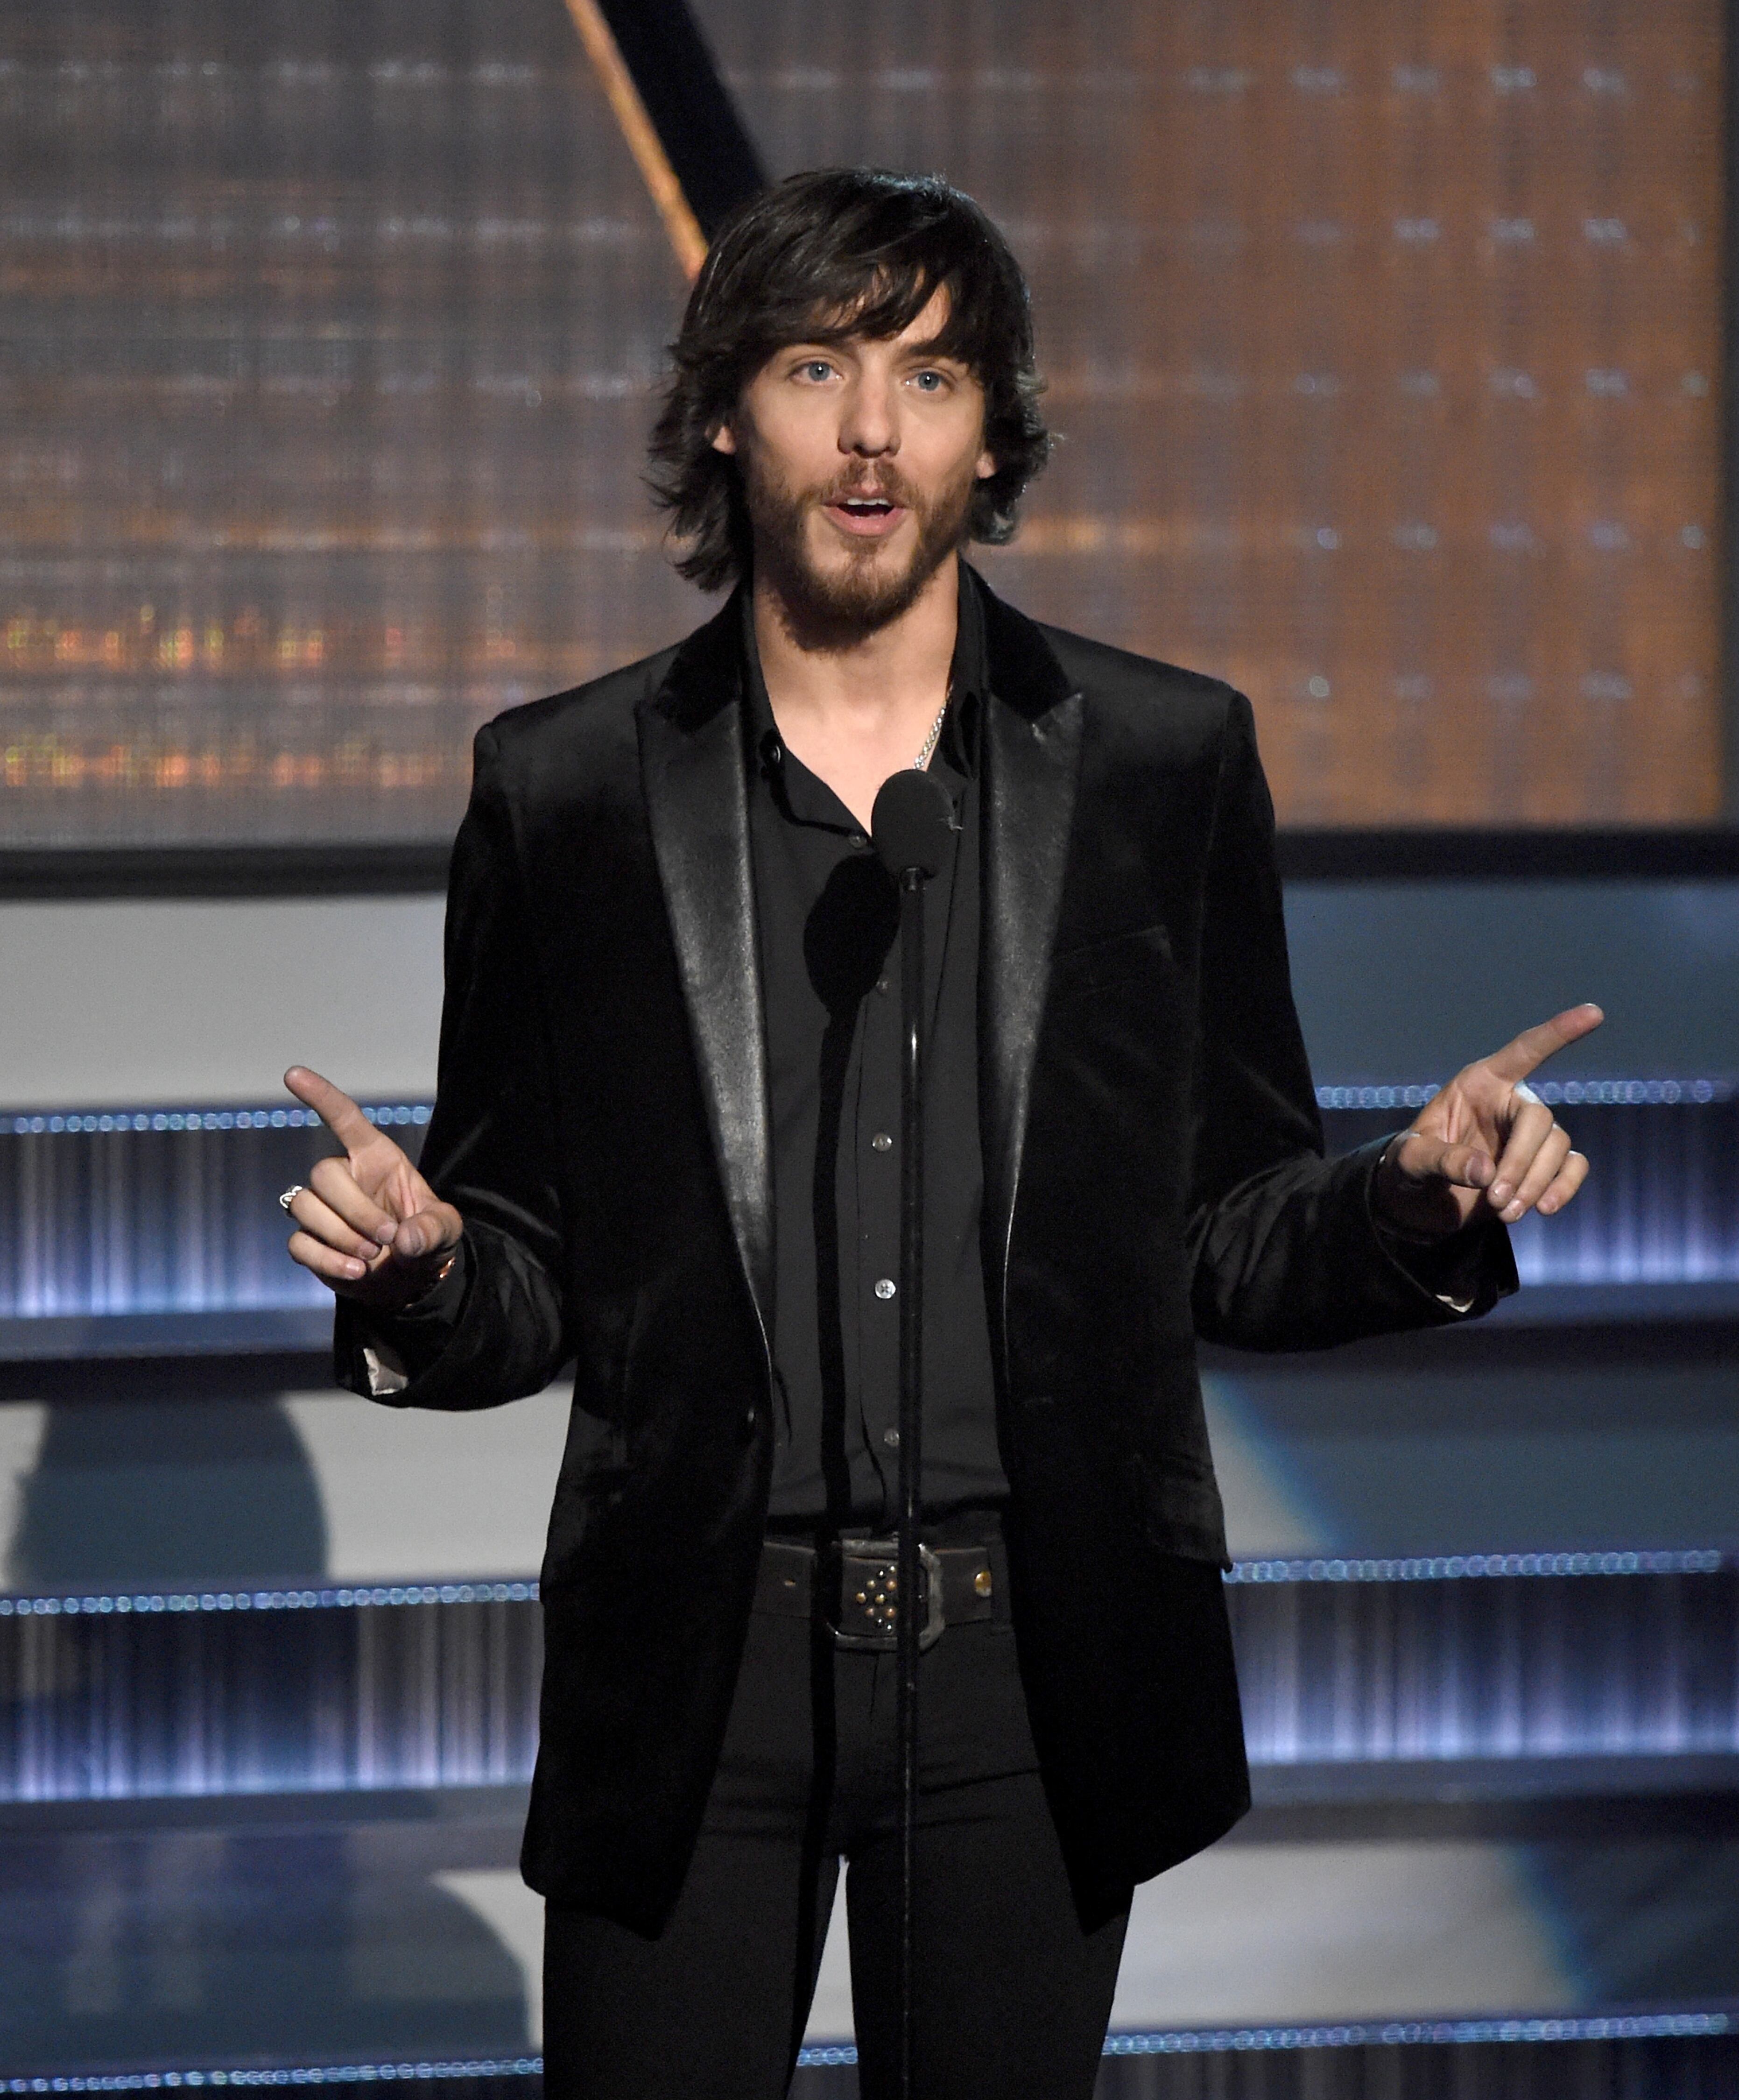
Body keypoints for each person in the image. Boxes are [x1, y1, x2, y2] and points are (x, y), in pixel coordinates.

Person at [281, 169, 1597, 2100]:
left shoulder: (1159, 764)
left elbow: (1227, 1229)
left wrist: (1412, 1201)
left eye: (936, 377)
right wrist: (430, 1265)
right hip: (697, 1666)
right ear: (728, 410)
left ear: (997, 437)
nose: (877, 432)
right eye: (822, 367)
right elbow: (533, 1283)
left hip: (1028, 1670)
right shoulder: (563, 791)